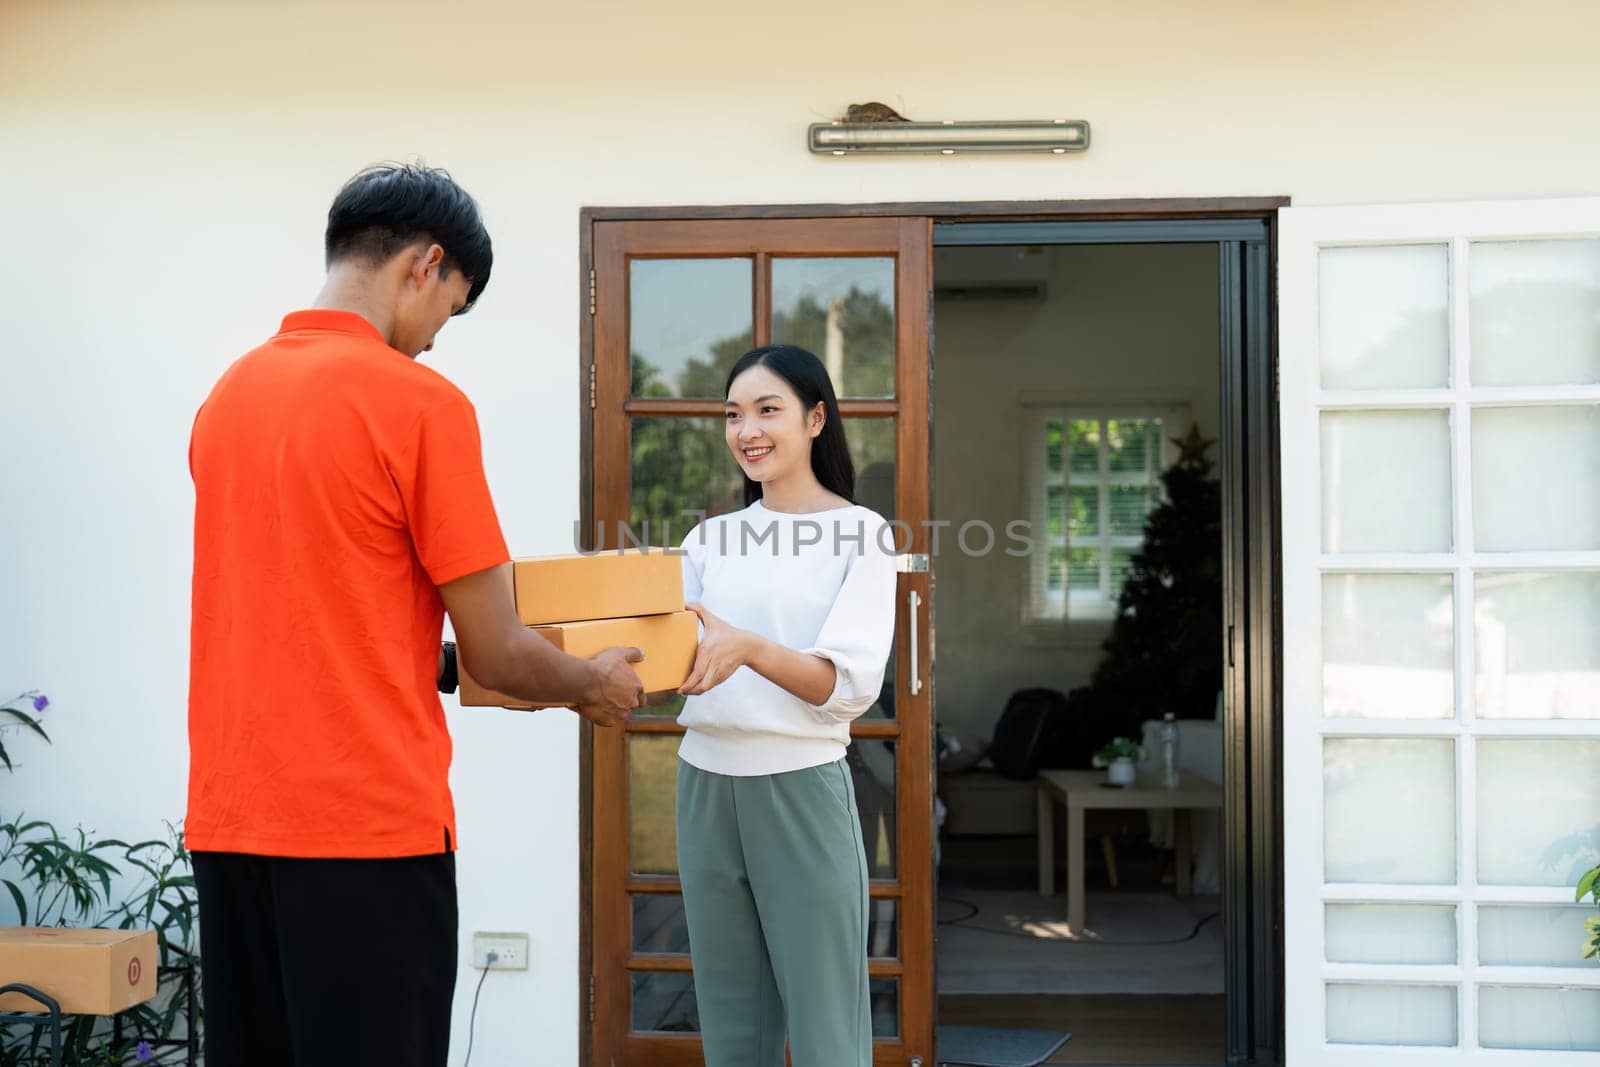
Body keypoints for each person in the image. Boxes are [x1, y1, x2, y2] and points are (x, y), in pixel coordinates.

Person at [185, 162, 645, 1067]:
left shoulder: (225, 398)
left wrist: (434, 662)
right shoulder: (420, 404)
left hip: (229, 823)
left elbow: (320, 611)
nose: (438, 338)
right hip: (366, 831)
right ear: (424, 264)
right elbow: (503, 649)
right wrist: (592, 683)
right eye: (452, 307)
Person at [673, 344, 897, 1067]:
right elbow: (662, 643)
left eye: (768, 409)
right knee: (732, 1021)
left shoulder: (862, 533)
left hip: (801, 784)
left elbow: (848, 684)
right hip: (704, 784)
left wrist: (749, 648)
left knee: (828, 1023)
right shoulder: (710, 539)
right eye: (734, 414)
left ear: (815, 418)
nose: (748, 430)